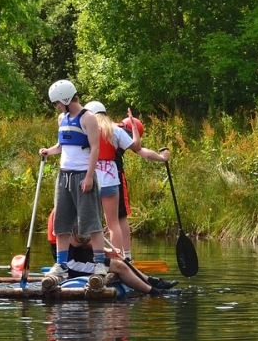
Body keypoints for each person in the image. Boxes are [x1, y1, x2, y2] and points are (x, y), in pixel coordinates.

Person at [39, 79, 107, 280]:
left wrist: (88, 177)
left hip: (82, 176)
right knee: (61, 221)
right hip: (64, 175)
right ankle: (61, 264)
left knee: (91, 222)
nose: (57, 107)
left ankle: (100, 265)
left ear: (67, 98)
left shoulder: (88, 118)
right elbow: (61, 146)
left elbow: (95, 148)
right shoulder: (62, 118)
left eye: (58, 102)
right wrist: (48, 151)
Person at [47, 209, 180, 294]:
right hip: (71, 263)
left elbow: (83, 242)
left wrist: (106, 251)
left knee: (118, 260)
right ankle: (154, 291)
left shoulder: (77, 206)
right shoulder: (63, 213)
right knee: (119, 266)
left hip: (80, 256)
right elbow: (75, 241)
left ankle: (152, 281)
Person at [83, 100, 137, 254]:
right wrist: (133, 127)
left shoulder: (86, 131)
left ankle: (97, 257)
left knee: (93, 224)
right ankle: (119, 258)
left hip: (91, 180)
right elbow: (137, 147)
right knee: (114, 223)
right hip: (112, 180)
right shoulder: (115, 130)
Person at [116, 114, 171, 261]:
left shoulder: (105, 127)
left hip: (92, 176)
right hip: (114, 177)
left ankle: (99, 255)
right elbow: (143, 151)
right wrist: (162, 158)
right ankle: (126, 256)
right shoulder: (124, 133)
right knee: (121, 218)